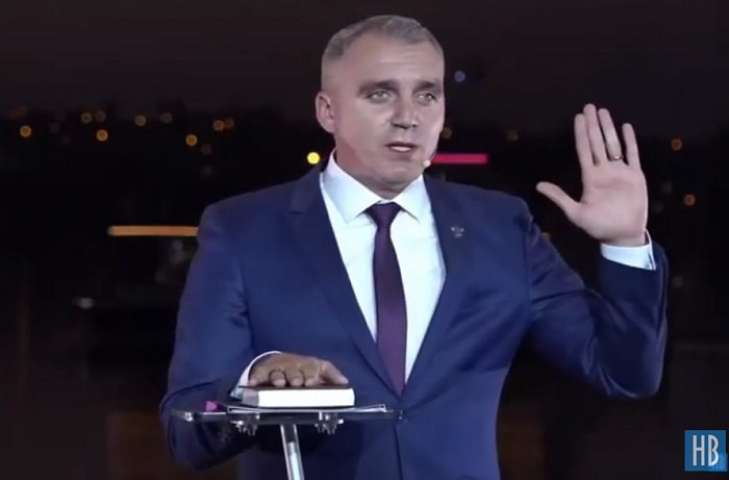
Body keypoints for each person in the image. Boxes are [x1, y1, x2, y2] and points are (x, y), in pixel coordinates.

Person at [159, 14, 668, 480]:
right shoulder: (243, 231)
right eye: (380, 94)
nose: (408, 117)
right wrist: (253, 384)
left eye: (427, 96)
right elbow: (188, 427)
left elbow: (624, 373)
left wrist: (625, 245)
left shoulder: (503, 228)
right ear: (328, 111)